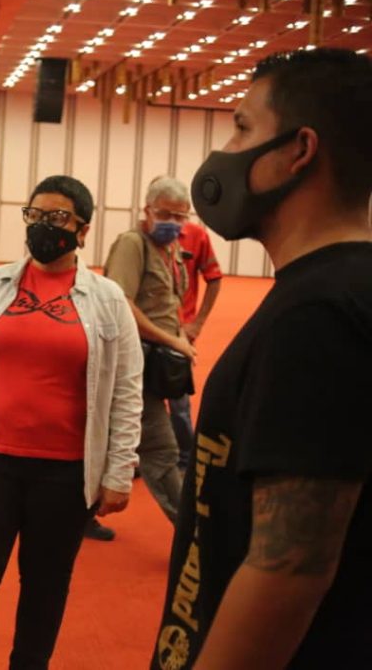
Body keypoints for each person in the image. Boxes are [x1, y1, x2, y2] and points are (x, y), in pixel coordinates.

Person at [152, 48, 372, 670]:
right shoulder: (335, 291)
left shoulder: (317, 317)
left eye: (244, 128)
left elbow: (290, 566)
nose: (226, 151)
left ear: (300, 150)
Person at [0, 175, 143, 670]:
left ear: (82, 230)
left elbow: (127, 391)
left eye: (58, 218)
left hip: (66, 475)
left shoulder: (108, 299)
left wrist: (118, 471)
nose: (44, 226)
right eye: (35, 215)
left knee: (45, 588)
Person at [102, 176, 192, 527]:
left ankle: (78, 513)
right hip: (133, 364)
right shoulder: (132, 244)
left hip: (157, 364)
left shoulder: (170, 249)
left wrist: (181, 337)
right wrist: (172, 340)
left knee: (104, 442)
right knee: (162, 449)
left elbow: (171, 301)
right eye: (165, 214)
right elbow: (122, 305)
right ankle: (191, 535)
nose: (173, 223)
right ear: (147, 210)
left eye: (180, 217)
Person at [169, 219, 222, 469]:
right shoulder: (140, 238)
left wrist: (198, 323)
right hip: (145, 330)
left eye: (176, 214)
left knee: (178, 402)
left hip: (181, 334)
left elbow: (214, 278)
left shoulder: (196, 235)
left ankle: (186, 456)